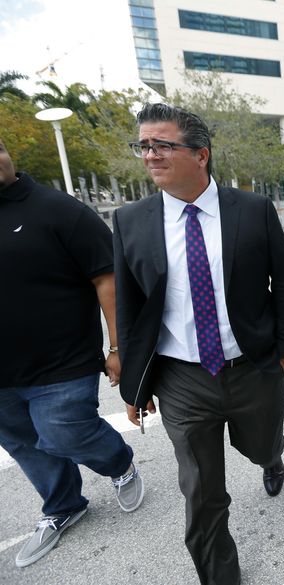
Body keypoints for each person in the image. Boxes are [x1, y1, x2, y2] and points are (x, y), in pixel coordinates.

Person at [113, 103, 284, 585]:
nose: (149, 155)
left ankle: (271, 455)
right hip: (181, 380)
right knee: (201, 492)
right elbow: (131, 309)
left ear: (200, 154)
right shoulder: (131, 221)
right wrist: (135, 386)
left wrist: (282, 352)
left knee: (260, 445)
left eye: (161, 145)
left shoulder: (253, 209)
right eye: (144, 146)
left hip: (252, 367)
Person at [0, 137, 144, 569]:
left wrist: (118, 346)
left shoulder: (57, 209)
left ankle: (119, 463)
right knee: (25, 443)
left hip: (62, 361)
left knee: (64, 432)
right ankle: (63, 504)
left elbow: (108, 279)